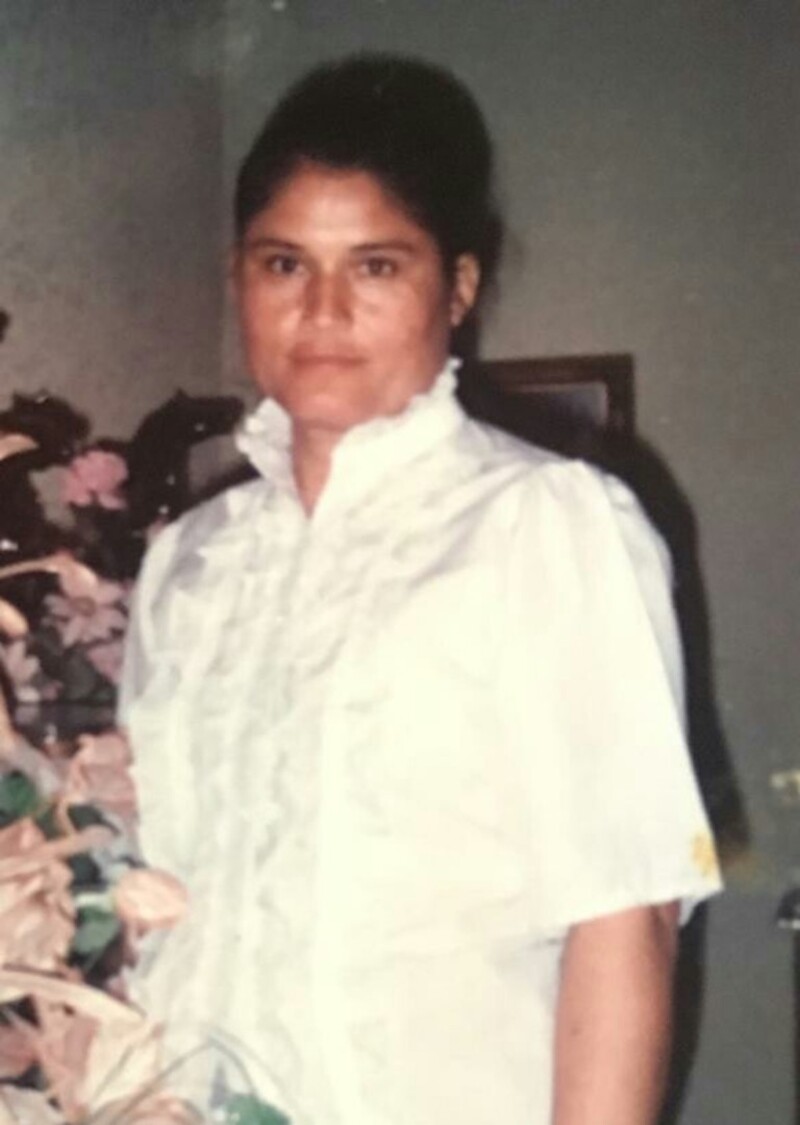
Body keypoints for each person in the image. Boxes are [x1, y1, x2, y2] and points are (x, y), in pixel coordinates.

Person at [119, 54, 721, 1125]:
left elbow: (626, 916)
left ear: (459, 286)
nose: (324, 309)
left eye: (378, 266)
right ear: (237, 278)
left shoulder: (540, 524)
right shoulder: (189, 562)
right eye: (284, 264)